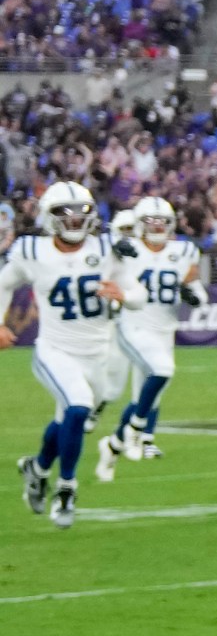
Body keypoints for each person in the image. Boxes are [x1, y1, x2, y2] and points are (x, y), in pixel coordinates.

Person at [2, 182, 122, 528]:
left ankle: (37, 468)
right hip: (54, 349)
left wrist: (125, 295)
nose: (73, 219)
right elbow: (4, 282)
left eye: (80, 211)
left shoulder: (106, 245)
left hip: (96, 353)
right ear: (48, 217)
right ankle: (66, 489)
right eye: (64, 212)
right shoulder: (32, 251)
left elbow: (133, 277)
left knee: (69, 421)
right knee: (79, 404)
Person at [96, 196, 203, 476]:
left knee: (148, 397)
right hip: (133, 325)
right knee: (161, 370)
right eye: (151, 222)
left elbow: (197, 289)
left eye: (163, 222)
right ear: (139, 224)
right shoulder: (126, 249)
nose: (157, 227)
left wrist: (194, 296)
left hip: (164, 330)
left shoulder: (185, 251)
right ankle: (135, 432)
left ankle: (114, 444)